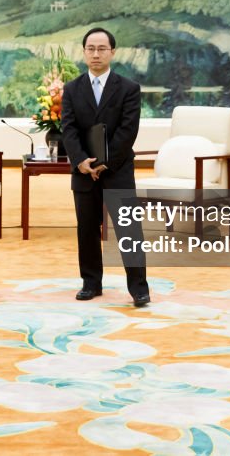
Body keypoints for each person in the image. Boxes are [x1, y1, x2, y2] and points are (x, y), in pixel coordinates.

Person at [61, 27, 150, 306]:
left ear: (112, 52)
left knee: (128, 229)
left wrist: (105, 164)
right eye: (91, 48)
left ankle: (139, 288)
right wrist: (80, 161)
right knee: (86, 229)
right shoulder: (72, 89)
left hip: (118, 169)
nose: (96, 54)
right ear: (84, 52)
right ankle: (91, 283)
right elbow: (69, 129)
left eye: (101, 48)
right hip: (83, 172)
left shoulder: (129, 88)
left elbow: (128, 131)